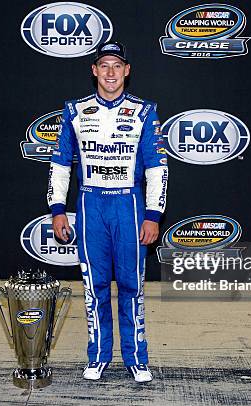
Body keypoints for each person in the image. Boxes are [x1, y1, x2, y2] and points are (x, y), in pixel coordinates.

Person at [47, 41, 168, 383]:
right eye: (104, 65)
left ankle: (136, 358)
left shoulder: (145, 111)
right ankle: (98, 355)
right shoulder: (74, 110)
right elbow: (60, 165)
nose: (111, 72)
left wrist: (153, 214)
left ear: (127, 71)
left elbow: (157, 167)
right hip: (90, 204)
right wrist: (57, 209)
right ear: (94, 70)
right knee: (94, 286)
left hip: (128, 206)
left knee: (132, 286)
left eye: (117, 65)